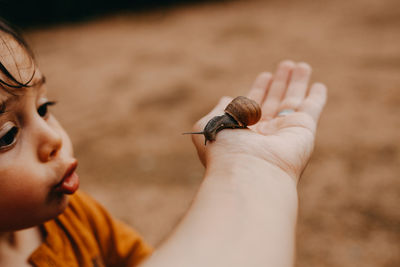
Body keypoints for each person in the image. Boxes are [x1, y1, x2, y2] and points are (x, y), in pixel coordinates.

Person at [0, 18, 327, 267]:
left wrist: (250, 162)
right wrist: (257, 170)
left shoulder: (78, 218)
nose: (53, 137)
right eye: (7, 135)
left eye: (44, 108)